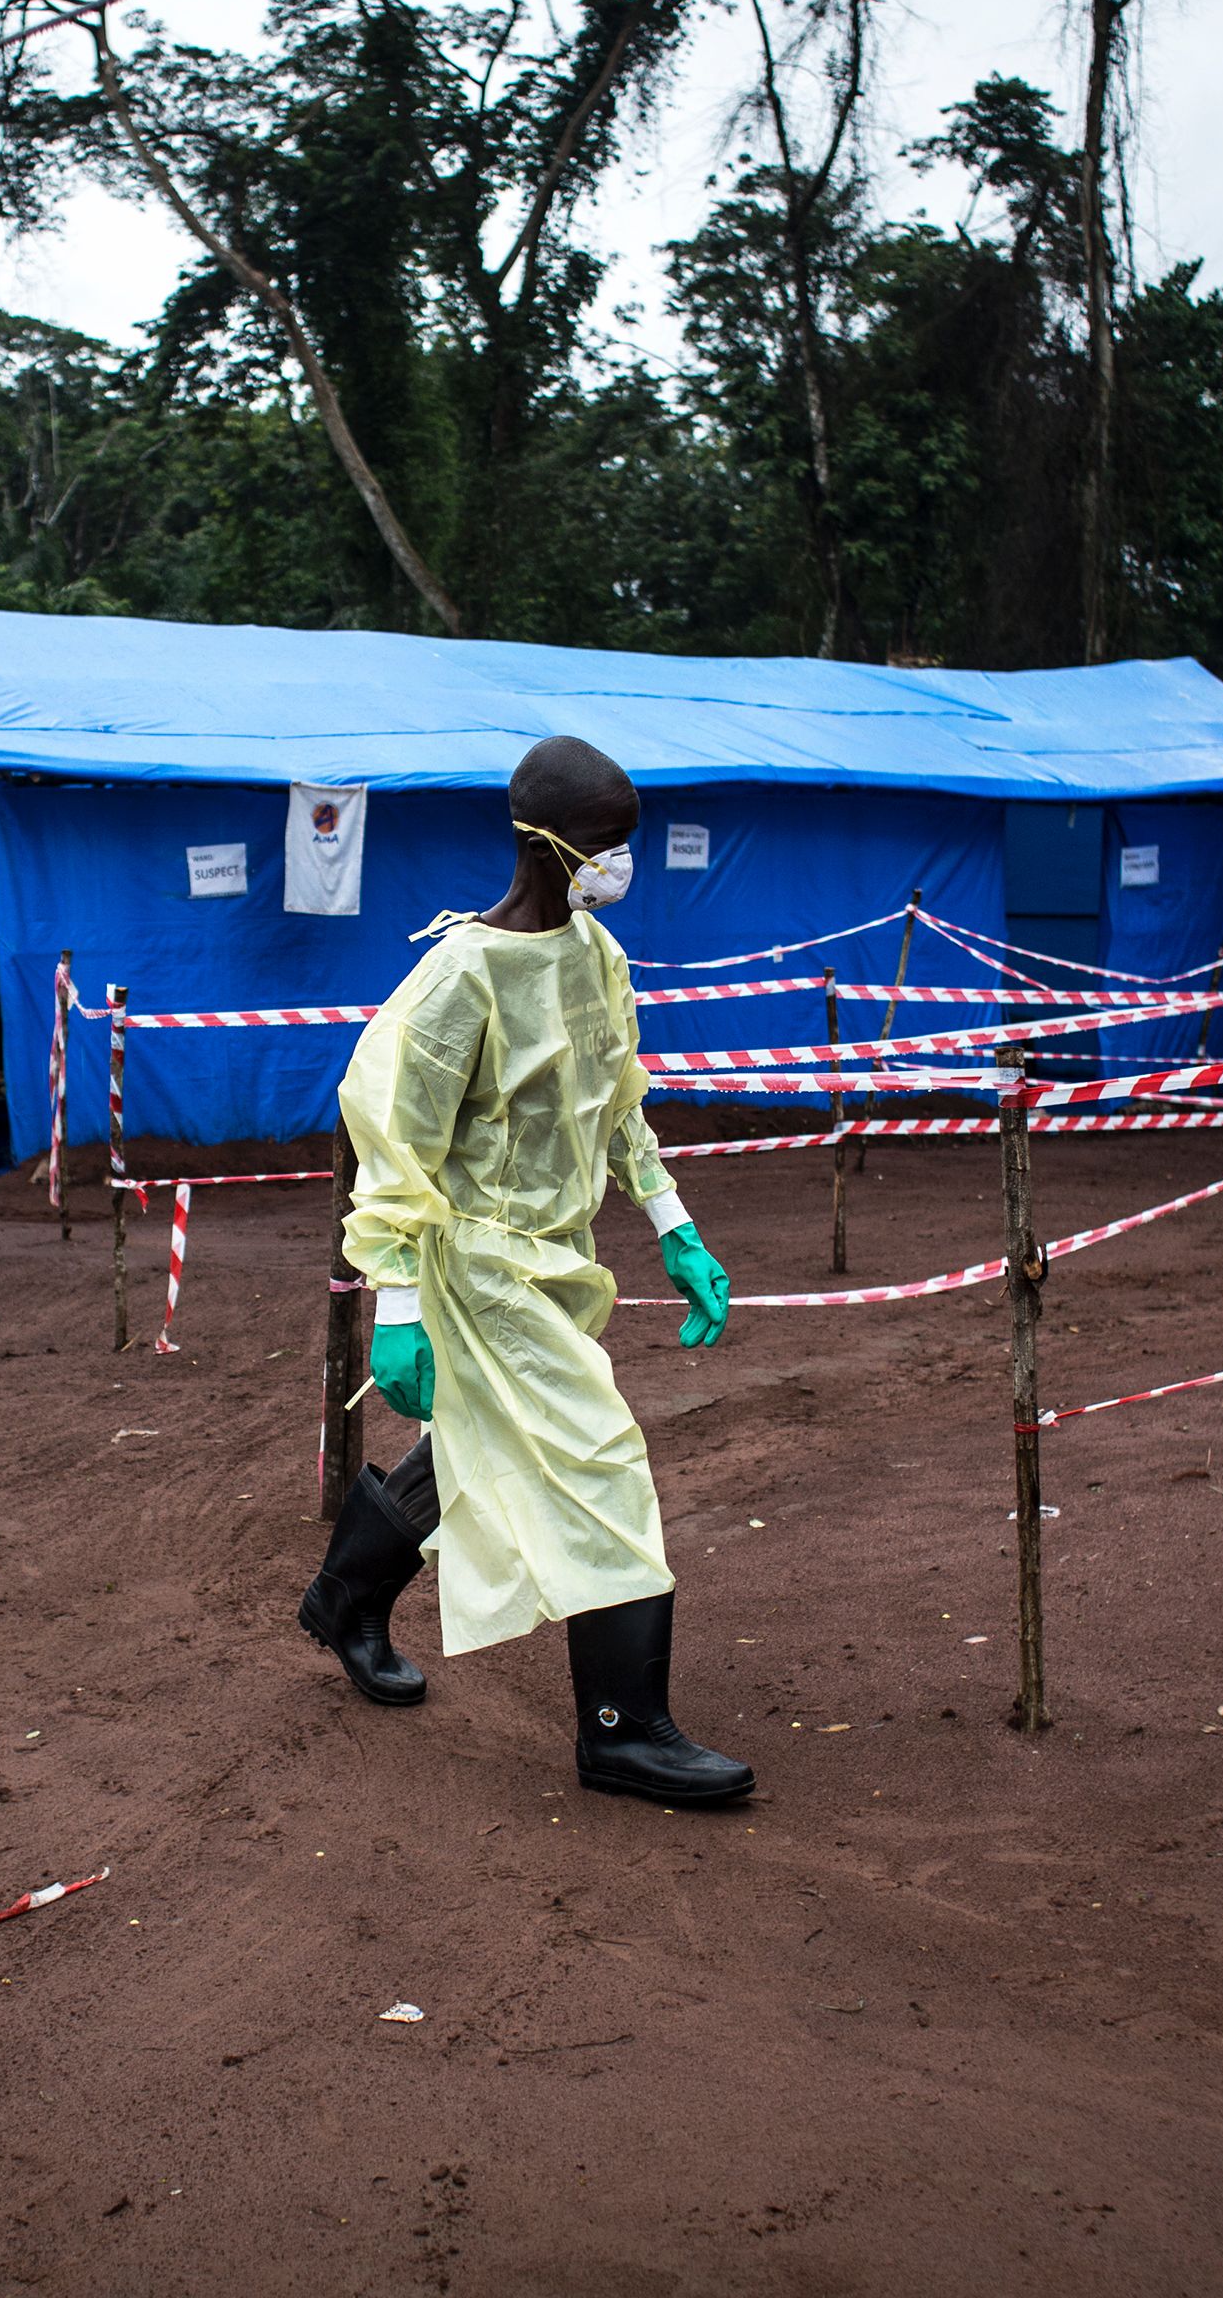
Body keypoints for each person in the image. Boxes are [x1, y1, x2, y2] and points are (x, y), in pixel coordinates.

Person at [296, 734, 756, 1806]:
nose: (618, 864)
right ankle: (623, 1731)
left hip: (555, 1255)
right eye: (604, 844)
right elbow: (390, 1138)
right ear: (541, 843)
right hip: (478, 1262)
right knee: (596, 1454)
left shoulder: (594, 954)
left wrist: (672, 1223)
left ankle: (345, 1599)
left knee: (483, 1439)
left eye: (625, 843)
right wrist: (399, 1304)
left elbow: (618, 1098)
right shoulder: (460, 978)